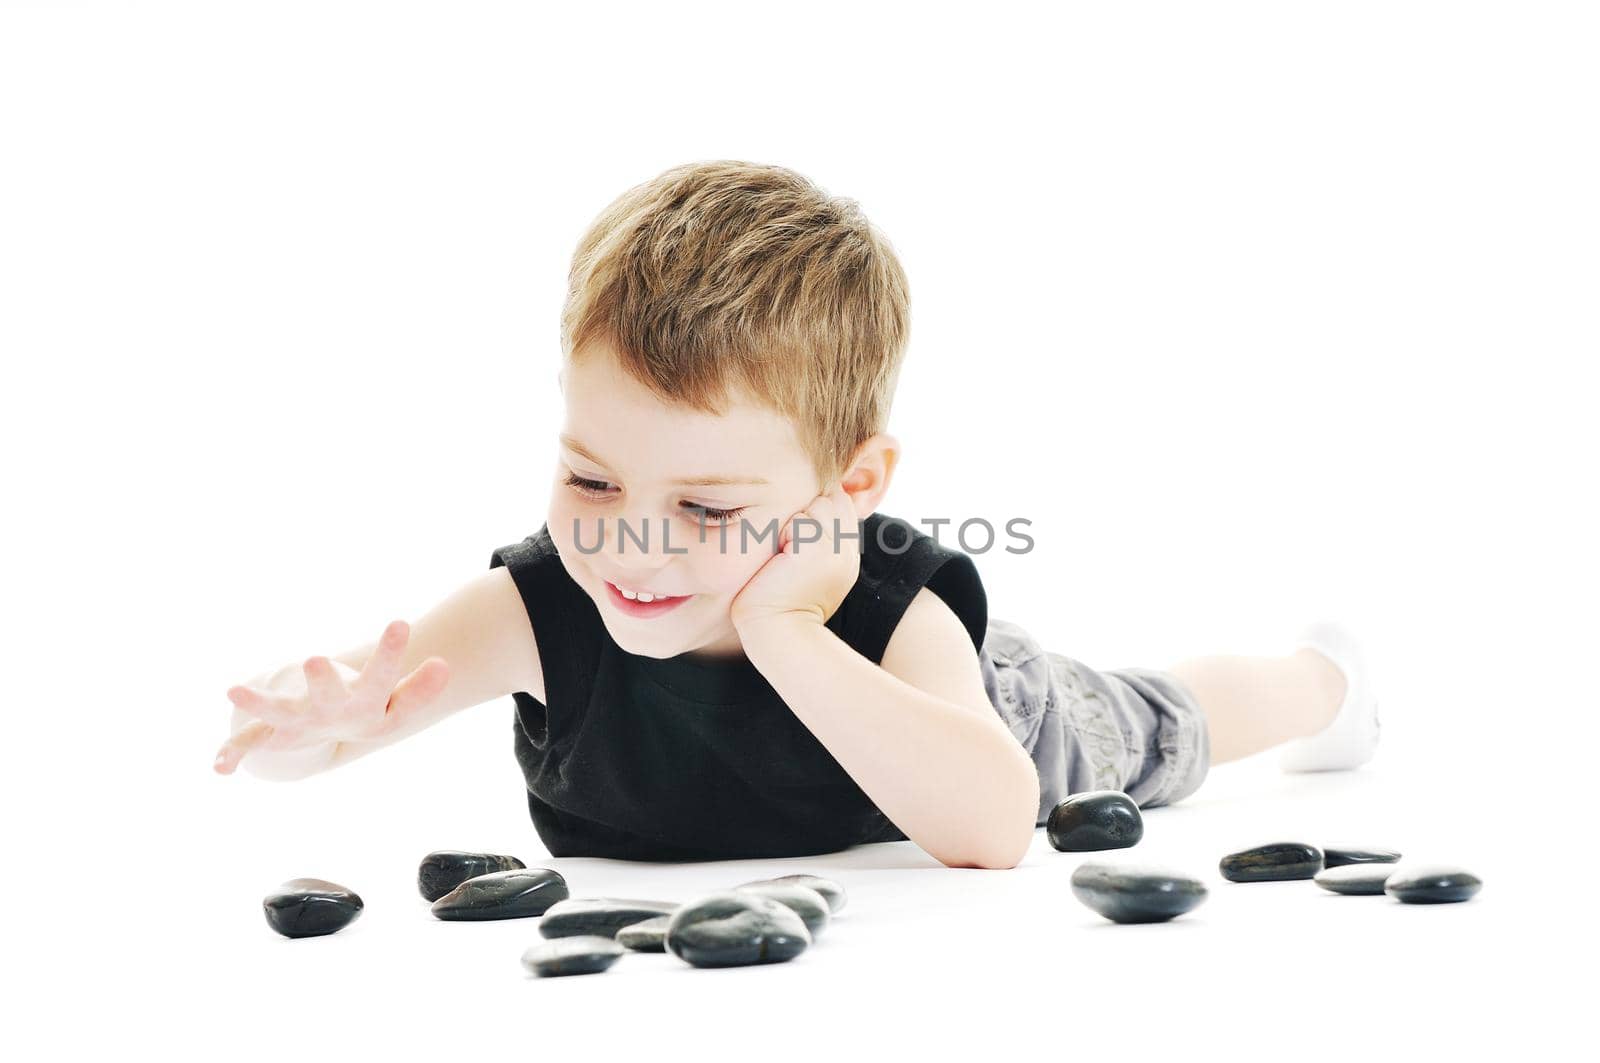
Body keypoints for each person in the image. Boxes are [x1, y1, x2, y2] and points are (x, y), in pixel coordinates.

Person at [213, 160, 1380, 869]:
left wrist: (787, 633)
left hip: (1000, 719)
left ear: (851, 488)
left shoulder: (889, 612)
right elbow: (294, 750)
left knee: (1161, 725)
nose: (634, 541)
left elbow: (990, 829)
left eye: (707, 505)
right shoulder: (535, 609)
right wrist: (316, 732)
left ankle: (1319, 681)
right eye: (590, 478)